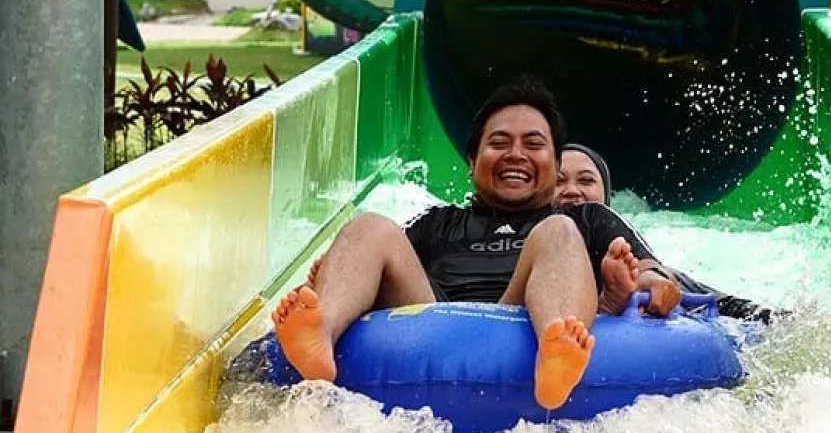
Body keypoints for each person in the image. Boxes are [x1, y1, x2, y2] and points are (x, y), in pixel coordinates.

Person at [272, 78, 680, 411]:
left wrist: (647, 281)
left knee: (557, 231)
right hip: (438, 326)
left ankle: (558, 353)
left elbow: (650, 269)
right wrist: (338, 273)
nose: (515, 155)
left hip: (530, 322)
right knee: (370, 227)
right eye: (499, 143)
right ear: (471, 162)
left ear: (556, 167)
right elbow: (375, 258)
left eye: (534, 145)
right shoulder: (439, 223)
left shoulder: (584, 218)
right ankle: (318, 337)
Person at [555, 143, 776, 324]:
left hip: (659, 285)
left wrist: (652, 279)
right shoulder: (531, 243)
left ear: (606, 199)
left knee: (666, 282)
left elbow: (650, 268)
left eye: (586, 180)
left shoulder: (619, 250)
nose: (572, 190)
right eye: (558, 181)